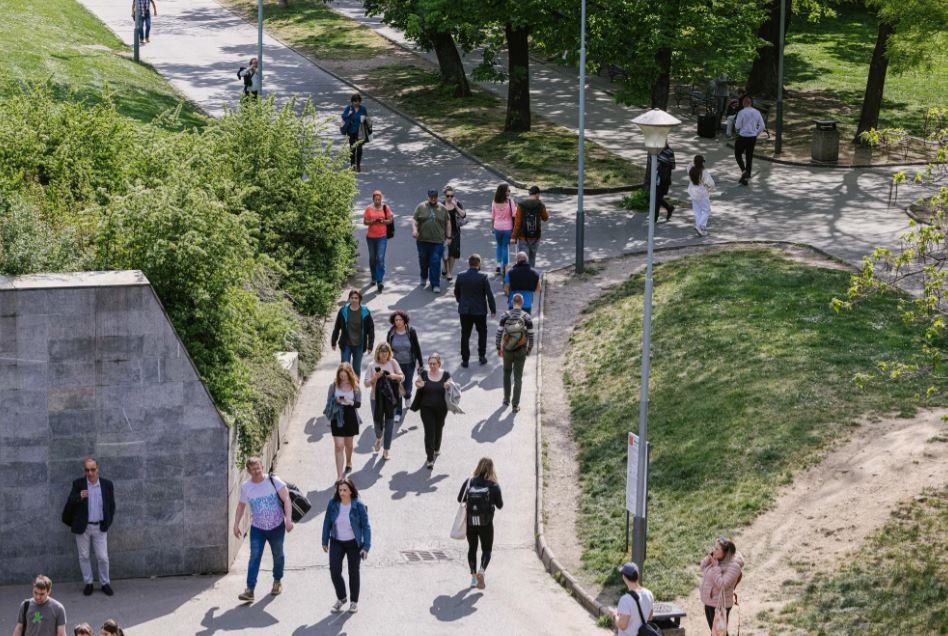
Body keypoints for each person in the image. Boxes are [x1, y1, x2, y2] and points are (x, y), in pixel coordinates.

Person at [233, 456, 295, 602]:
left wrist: (288, 520)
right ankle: (250, 590)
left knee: (278, 554)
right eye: (253, 469)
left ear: (262, 466)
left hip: (277, 526)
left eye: (258, 467)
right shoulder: (246, 487)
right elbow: (241, 506)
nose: (256, 471)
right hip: (257, 528)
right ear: (248, 471)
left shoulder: (273, 481)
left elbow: (286, 499)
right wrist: (236, 524)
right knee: (254, 556)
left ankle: (277, 581)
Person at [62, 457, 116, 596]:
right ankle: (89, 583)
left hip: (100, 527)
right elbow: (70, 502)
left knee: (102, 557)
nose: (90, 473)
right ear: (84, 470)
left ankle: (105, 583)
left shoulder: (107, 484)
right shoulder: (78, 484)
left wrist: (107, 522)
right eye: (87, 470)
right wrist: (79, 497)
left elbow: (111, 505)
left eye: (93, 469)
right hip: (83, 527)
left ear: (97, 469)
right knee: (84, 556)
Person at [321, 479, 371, 614]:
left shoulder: (358, 505)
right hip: (336, 541)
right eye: (340, 490)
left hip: (354, 543)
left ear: (351, 491)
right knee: (334, 571)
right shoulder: (333, 504)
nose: (342, 492)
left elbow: (366, 527)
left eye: (344, 490)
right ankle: (342, 597)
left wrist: (366, 547)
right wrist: (324, 540)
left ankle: (354, 602)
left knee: (353, 572)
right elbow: (327, 522)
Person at [457, 457, 504, 590]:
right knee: (487, 549)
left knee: (472, 548)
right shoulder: (493, 485)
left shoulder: (469, 482)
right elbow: (500, 505)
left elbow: (460, 498)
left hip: (471, 522)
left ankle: (473, 578)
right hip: (486, 523)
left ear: (478, 467)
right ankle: (481, 571)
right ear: (491, 469)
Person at [362, 343, 404, 460]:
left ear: (389, 353)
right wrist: (375, 377)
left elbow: (402, 377)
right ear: (378, 353)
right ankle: (379, 437)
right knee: (377, 422)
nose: (384, 356)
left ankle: (386, 450)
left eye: (386, 354)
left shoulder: (393, 362)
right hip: (376, 398)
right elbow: (365, 383)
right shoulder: (372, 365)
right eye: (382, 354)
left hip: (391, 399)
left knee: (390, 424)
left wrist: (392, 375)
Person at [454, 253, 497, 368]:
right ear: (479, 264)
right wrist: (493, 309)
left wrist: (461, 301)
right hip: (480, 311)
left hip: (465, 310)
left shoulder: (461, 276)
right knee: (482, 333)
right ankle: (481, 356)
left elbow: (456, 292)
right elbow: (489, 294)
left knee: (465, 334)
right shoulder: (483, 277)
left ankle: (465, 359)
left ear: (469, 264)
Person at [413, 353, 455, 468]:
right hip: (426, 408)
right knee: (429, 431)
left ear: (439, 364)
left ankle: (437, 448)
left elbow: (453, 385)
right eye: (430, 363)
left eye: (434, 364)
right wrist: (419, 385)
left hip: (441, 409)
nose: (431, 366)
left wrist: (448, 385)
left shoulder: (446, 375)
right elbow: (417, 382)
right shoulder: (424, 374)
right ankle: (430, 458)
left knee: (439, 428)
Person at [496, 293, 534, 413]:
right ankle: (515, 405)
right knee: (518, 377)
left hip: (507, 350)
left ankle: (506, 399)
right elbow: (531, 336)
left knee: (507, 374)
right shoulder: (527, 317)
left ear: (512, 302)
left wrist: (499, 348)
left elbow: (499, 333)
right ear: (522, 303)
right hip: (521, 350)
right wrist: (528, 350)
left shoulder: (505, 316)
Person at [324, 363, 362, 479]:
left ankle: (349, 461)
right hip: (337, 416)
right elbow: (328, 402)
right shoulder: (333, 386)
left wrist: (349, 402)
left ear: (350, 375)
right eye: (341, 377)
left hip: (350, 416)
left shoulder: (355, 387)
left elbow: (358, 404)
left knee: (348, 444)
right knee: (339, 446)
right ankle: (339, 476)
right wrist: (336, 401)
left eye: (345, 377)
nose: (343, 379)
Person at [700, 536, 745, 632]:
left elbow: (722, 585)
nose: (713, 550)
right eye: (714, 547)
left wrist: (716, 567)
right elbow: (702, 567)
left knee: (719, 633)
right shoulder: (716, 560)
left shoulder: (734, 566)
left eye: (717, 549)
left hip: (720, 605)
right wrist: (710, 558)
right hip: (710, 602)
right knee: (716, 633)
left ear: (726, 553)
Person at [386, 310, 423, 423]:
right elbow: (387, 349)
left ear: (404, 320)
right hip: (396, 365)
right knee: (398, 387)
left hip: (409, 363)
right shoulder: (391, 333)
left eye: (400, 320)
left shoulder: (411, 331)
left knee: (407, 386)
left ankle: (408, 396)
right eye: (396, 320)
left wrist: (421, 364)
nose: (398, 322)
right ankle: (398, 412)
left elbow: (416, 347)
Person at [412, 189, 451, 293]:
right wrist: (415, 230)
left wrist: (449, 237)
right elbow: (415, 220)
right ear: (427, 197)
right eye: (431, 197)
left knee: (435, 261)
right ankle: (424, 276)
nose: (433, 199)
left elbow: (448, 223)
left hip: (437, 241)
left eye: (435, 197)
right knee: (423, 261)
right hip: (422, 240)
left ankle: (435, 284)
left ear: (437, 197)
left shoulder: (442, 209)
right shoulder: (421, 207)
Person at [330, 289, 374, 378]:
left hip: (359, 344)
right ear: (349, 299)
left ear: (359, 299)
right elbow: (337, 326)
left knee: (356, 368)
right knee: (344, 368)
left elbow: (371, 329)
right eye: (352, 298)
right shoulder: (343, 311)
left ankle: (355, 388)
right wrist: (333, 341)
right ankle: (344, 387)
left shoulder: (365, 311)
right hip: (346, 344)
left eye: (356, 298)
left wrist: (370, 345)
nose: (354, 300)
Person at [612, 562, 655, 636]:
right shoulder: (649, 594)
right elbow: (650, 618)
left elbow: (622, 626)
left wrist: (615, 615)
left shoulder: (625, 600)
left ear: (624, 578)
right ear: (637, 576)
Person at [511, 186, 549, 267]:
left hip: (523, 236)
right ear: (538, 194)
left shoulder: (521, 205)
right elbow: (545, 218)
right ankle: (531, 275)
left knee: (523, 259)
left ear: (529, 194)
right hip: (536, 236)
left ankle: (523, 276)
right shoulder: (540, 204)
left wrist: (513, 236)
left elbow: (517, 222)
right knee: (532, 258)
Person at [363, 190, 393, 292]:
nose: (377, 201)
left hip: (382, 237)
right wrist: (373, 221)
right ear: (373, 199)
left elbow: (390, 220)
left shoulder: (386, 208)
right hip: (371, 237)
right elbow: (365, 222)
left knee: (380, 258)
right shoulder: (368, 209)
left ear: (381, 199)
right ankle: (373, 277)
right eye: (376, 199)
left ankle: (380, 281)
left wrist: (383, 221)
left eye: (379, 199)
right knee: (372, 258)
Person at [733, 95, 765, 185]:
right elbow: (762, 126)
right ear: (751, 103)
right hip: (752, 137)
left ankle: (744, 171)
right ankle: (747, 175)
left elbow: (737, 126)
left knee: (737, 153)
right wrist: (756, 133)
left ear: (744, 103)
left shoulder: (741, 112)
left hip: (743, 136)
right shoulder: (757, 112)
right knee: (749, 156)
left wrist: (737, 127)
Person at [441, 186, 467, 281]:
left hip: (455, 231)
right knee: (444, 253)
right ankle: (445, 267)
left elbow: (463, 215)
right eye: (448, 196)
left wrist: (455, 206)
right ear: (444, 195)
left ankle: (449, 272)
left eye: (452, 196)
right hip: (443, 232)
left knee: (453, 253)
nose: (450, 198)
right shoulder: (441, 205)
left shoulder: (457, 203)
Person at [646, 142, 676, 221]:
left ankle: (655, 217)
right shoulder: (656, 151)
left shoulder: (669, 152)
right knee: (655, 196)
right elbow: (651, 161)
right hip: (656, 176)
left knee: (657, 196)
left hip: (664, 178)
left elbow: (673, 165)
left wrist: (664, 164)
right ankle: (669, 208)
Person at [687, 155, 716, 237]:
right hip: (702, 191)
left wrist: (694, 162)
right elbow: (711, 183)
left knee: (697, 210)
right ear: (702, 162)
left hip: (692, 190)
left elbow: (689, 164)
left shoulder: (690, 169)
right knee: (706, 210)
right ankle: (699, 225)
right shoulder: (704, 172)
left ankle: (700, 228)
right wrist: (712, 188)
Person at [490, 184, 516, 275]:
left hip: (497, 226)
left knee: (499, 245)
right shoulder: (510, 202)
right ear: (504, 192)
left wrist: (492, 227)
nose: (509, 192)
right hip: (508, 227)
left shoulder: (494, 202)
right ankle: (505, 266)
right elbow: (514, 214)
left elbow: (493, 216)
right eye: (508, 190)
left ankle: (498, 265)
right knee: (505, 247)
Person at [341, 94, 370, 172]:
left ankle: (358, 165)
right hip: (351, 131)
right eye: (355, 101)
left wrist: (365, 119)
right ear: (352, 102)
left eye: (358, 101)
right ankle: (352, 165)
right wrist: (349, 114)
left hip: (360, 132)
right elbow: (343, 116)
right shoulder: (349, 108)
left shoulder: (363, 109)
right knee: (352, 148)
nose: (357, 103)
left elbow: (367, 119)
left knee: (359, 149)